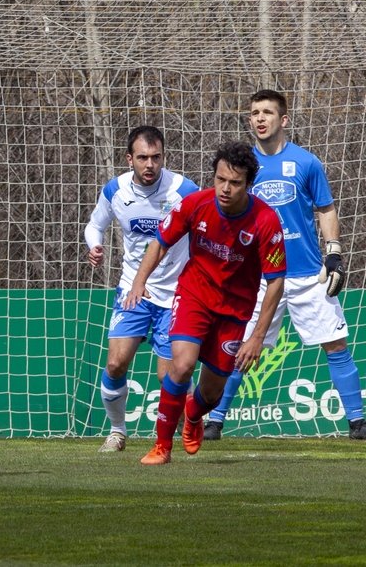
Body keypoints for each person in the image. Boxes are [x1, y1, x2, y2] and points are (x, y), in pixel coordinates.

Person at [204, 89, 364, 440]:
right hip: (258, 278)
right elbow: (226, 212)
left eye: (267, 113)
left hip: (307, 275)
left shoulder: (307, 163)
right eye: (254, 113)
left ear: (283, 119)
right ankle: (214, 421)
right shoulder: (242, 170)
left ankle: (357, 421)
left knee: (336, 344)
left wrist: (334, 252)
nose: (260, 119)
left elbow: (325, 209)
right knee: (238, 348)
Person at [123, 141, 286, 465]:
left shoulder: (265, 221)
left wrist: (256, 336)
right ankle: (162, 445)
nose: (225, 189)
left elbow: (276, 281)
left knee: (211, 394)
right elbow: (160, 243)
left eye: (235, 183)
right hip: (193, 295)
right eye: (220, 179)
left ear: (248, 185)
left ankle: (194, 416)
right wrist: (139, 282)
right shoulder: (195, 204)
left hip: (235, 312)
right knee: (181, 366)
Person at [84, 126, 199, 453]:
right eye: (143, 158)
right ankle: (117, 432)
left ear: (164, 157)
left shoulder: (184, 191)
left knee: (169, 376)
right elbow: (95, 225)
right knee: (116, 364)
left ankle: (189, 415)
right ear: (129, 159)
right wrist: (95, 245)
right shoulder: (116, 191)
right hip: (133, 291)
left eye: (156, 157)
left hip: (176, 295)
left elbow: (208, 225)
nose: (150, 165)